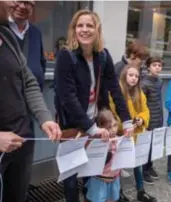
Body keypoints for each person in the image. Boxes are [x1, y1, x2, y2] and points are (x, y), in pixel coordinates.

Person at [54, 9, 133, 202]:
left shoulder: (103, 56)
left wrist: (127, 120)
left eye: (89, 25)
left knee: (93, 171)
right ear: (74, 29)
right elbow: (67, 98)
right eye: (80, 25)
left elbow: (115, 89)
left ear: (97, 30)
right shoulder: (66, 56)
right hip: (74, 126)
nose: (84, 29)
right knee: (71, 177)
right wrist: (91, 128)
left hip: (97, 123)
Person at [0, 2, 61, 201]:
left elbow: (29, 83)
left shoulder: (6, 37)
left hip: (21, 140)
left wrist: (45, 118)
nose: (17, 5)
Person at [109, 65, 157, 202]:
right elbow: (113, 113)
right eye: (131, 75)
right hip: (120, 135)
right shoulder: (116, 92)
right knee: (118, 165)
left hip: (135, 134)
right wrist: (125, 124)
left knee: (138, 163)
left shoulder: (139, 93)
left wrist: (141, 119)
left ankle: (141, 191)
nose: (134, 78)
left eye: (136, 76)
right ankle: (118, 194)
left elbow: (146, 110)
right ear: (124, 75)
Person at [8, 0, 46, 91]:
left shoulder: (36, 33)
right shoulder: (2, 30)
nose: (22, 6)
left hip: (32, 100)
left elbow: (41, 64)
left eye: (27, 2)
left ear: (33, 6)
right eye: (18, 1)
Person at [85, 109, 121, 202]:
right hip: (100, 180)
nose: (113, 130)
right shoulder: (97, 143)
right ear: (101, 128)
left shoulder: (119, 140)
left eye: (115, 125)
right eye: (109, 127)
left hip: (114, 178)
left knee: (112, 199)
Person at [141, 56, 163, 184]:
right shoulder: (144, 83)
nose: (157, 68)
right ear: (149, 67)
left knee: (154, 145)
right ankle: (144, 171)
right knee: (146, 147)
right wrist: (145, 122)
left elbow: (158, 101)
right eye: (154, 65)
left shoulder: (159, 81)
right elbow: (142, 104)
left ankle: (149, 166)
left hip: (157, 119)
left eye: (159, 65)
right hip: (148, 121)